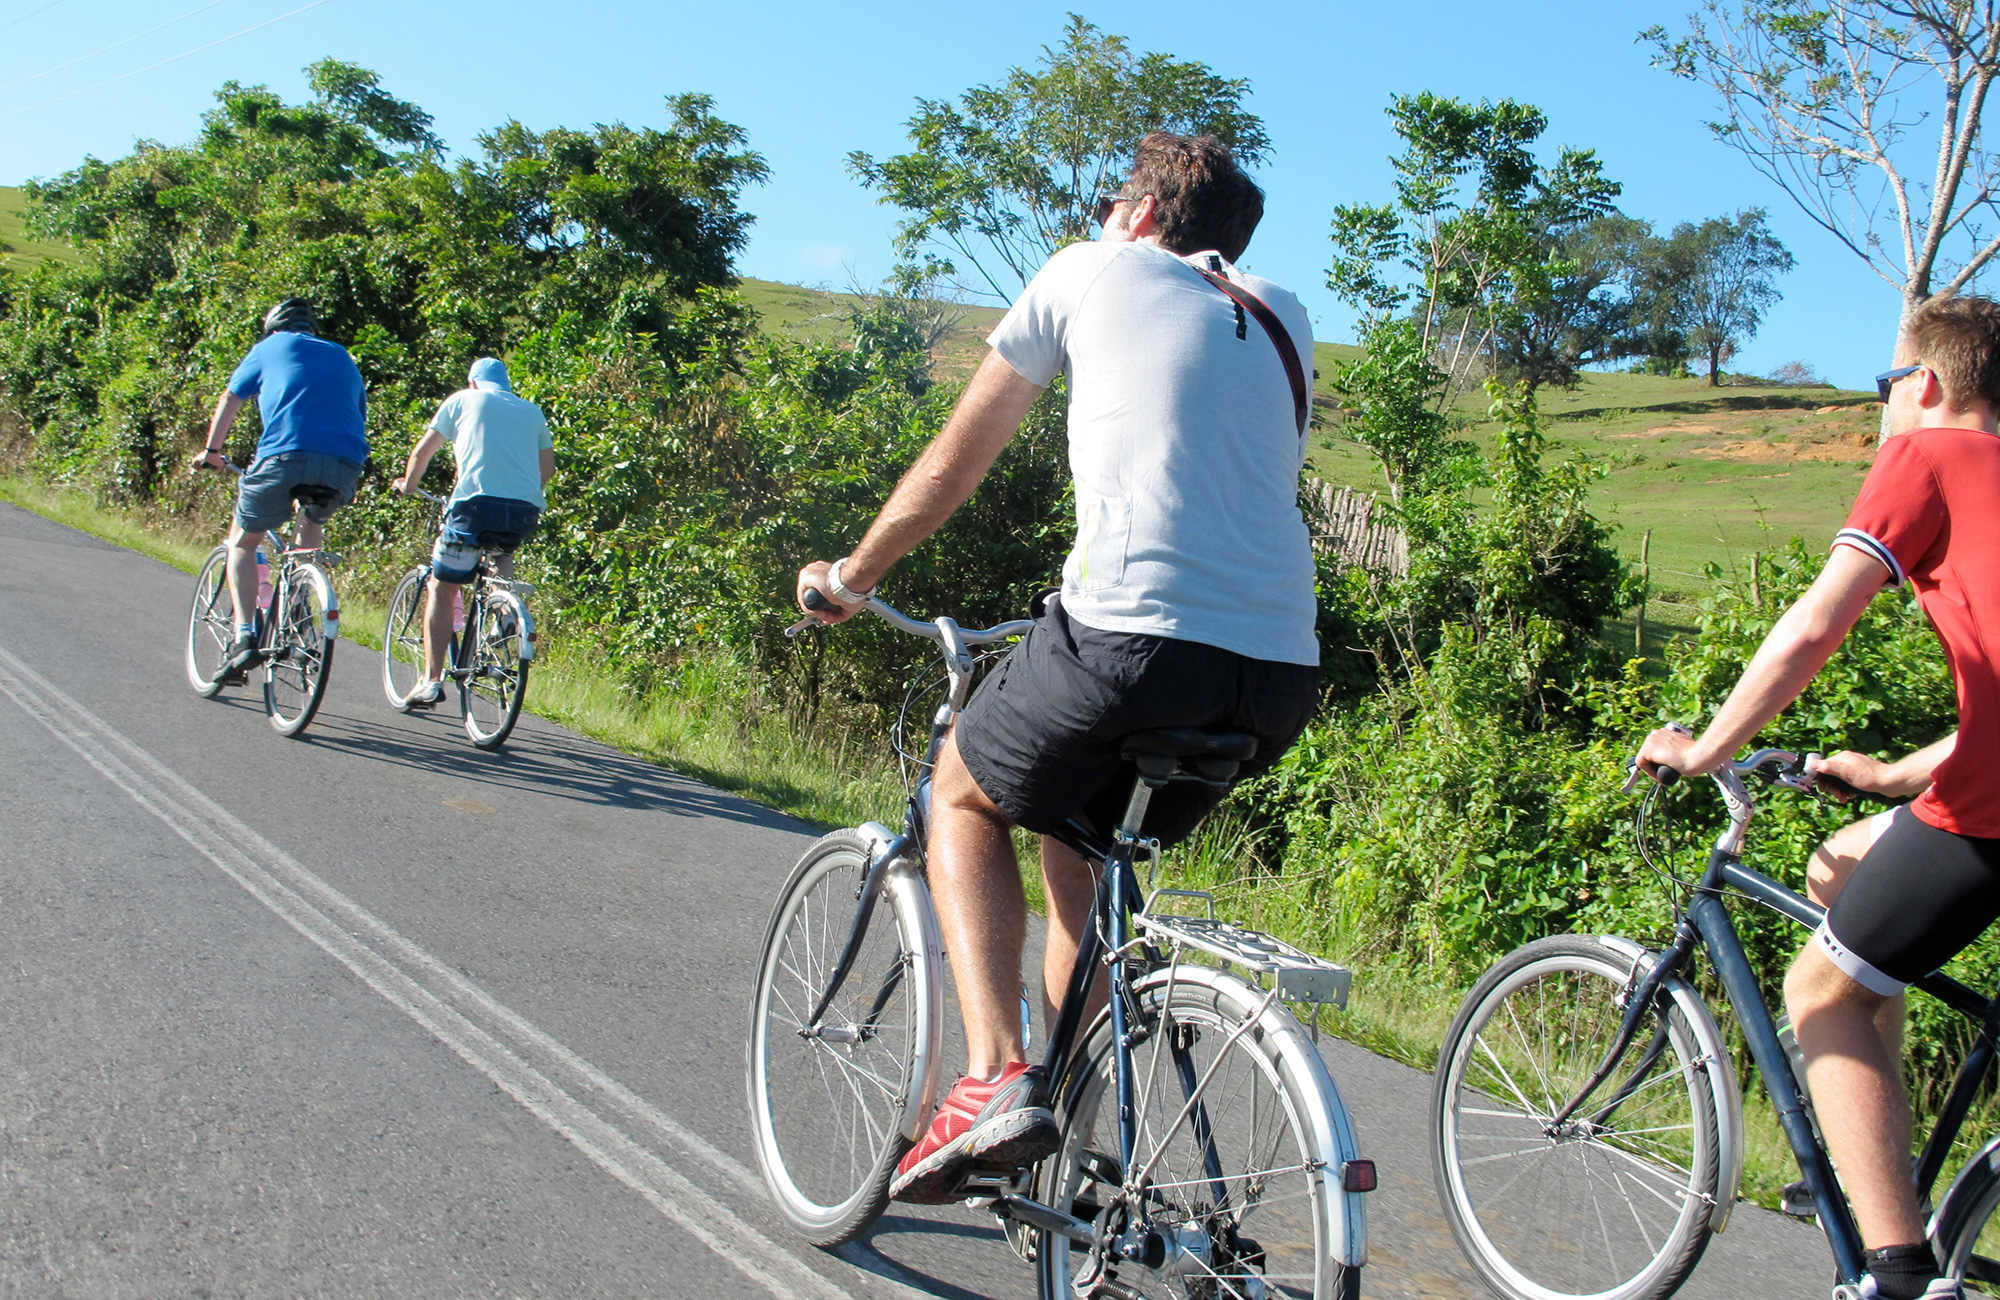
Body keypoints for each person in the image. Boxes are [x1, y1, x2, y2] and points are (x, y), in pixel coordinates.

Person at [795, 131, 1322, 1204]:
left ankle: (991, 1076)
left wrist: (850, 577)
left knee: (960, 789)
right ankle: (1072, 1148)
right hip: (1277, 676)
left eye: (1109, 202)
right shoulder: (1283, 318)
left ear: (1141, 213)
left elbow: (954, 462)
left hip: (1128, 639)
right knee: (1076, 842)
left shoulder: (1089, 267)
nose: (1099, 220)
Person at [1638, 294, 2000, 1300]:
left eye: (1886, 383)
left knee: (1818, 991)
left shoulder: (1927, 455)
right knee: (1837, 863)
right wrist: (1891, 777)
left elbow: (1812, 624)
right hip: (1986, 773)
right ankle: (1875, 1154)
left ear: (1925, 384)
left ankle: (1896, 1276)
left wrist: (1705, 748)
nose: (1883, 403)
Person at [192, 298, 368, 680]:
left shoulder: (268, 347)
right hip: (346, 462)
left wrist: (212, 452)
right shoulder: (341, 355)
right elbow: (358, 412)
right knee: (310, 524)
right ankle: (300, 616)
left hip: (284, 455)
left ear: (273, 327)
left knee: (242, 543)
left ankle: (243, 639)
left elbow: (231, 397)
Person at [392, 356, 554, 708]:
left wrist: (408, 485)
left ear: (473, 383)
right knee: (501, 552)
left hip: (473, 508)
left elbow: (423, 452)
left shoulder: (461, 400)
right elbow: (548, 468)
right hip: (523, 511)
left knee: (443, 587)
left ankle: (431, 680)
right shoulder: (532, 411)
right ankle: (506, 614)